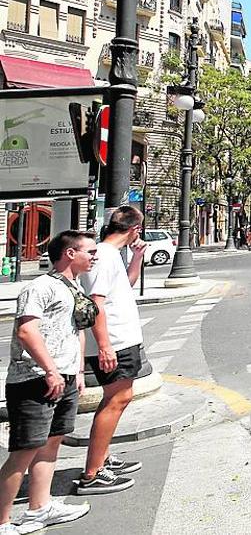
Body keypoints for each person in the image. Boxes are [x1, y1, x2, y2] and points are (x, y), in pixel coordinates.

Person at [0, 231, 96, 532]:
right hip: (36, 379)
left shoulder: (73, 286)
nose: (94, 257)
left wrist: (77, 371)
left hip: (64, 376)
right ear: (70, 253)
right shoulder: (40, 287)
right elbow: (26, 332)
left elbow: (76, 328)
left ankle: (39, 509)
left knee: (51, 444)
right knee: (24, 451)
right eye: (90, 252)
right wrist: (51, 370)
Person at [76, 207, 146, 495]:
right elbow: (96, 303)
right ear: (134, 230)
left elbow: (125, 286)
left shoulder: (110, 255)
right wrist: (104, 346)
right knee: (117, 399)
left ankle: (102, 457)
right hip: (113, 341)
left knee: (117, 398)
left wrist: (138, 257)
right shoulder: (103, 256)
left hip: (120, 339)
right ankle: (92, 474)